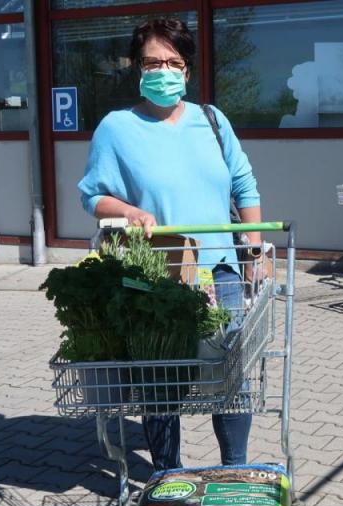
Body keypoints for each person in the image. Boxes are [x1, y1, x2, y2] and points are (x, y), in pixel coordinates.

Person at [77, 18, 261, 471]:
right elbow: (92, 195)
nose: (164, 71)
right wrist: (130, 213)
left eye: (173, 62)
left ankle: (234, 469)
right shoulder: (117, 128)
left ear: (187, 70)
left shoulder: (212, 121)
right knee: (160, 380)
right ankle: (166, 476)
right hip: (157, 275)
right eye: (152, 62)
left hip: (220, 271)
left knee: (228, 378)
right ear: (137, 69)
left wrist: (255, 250)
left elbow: (244, 185)